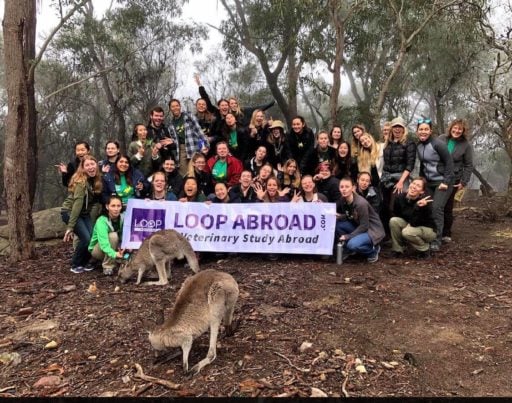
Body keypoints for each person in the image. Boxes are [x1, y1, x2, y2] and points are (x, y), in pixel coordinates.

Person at [416, 117, 454, 252]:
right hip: (429, 182)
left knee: (437, 208)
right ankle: (429, 235)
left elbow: (449, 163)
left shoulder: (438, 144)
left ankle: (437, 241)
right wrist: (420, 181)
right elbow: (423, 165)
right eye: (421, 129)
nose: (423, 132)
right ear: (417, 131)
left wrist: (445, 182)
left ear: (430, 131)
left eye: (426, 129)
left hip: (442, 182)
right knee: (427, 207)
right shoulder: (419, 146)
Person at [61, 155, 103, 273]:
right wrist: (70, 227)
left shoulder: (95, 180)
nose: (91, 167)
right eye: (87, 165)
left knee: (92, 239)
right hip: (70, 212)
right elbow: (77, 205)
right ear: (83, 168)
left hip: (84, 214)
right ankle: (75, 264)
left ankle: (84, 263)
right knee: (86, 239)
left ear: (96, 165)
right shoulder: (81, 182)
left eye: (92, 164)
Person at [439, 118, 474, 243]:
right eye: (455, 127)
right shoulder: (441, 139)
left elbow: (469, 165)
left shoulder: (466, 145)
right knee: (436, 205)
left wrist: (464, 182)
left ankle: (446, 233)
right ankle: (435, 230)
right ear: (451, 128)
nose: (457, 130)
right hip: (438, 176)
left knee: (447, 206)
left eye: (460, 129)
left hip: (454, 178)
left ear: (463, 131)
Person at [380, 117, 417, 235]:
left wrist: (401, 181)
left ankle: (403, 232)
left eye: (399, 127)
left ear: (403, 129)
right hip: (386, 177)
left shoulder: (409, 143)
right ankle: (387, 234)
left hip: (401, 177)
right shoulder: (388, 143)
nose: (397, 129)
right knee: (384, 205)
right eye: (395, 126)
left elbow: (410, 165)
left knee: (398, 205)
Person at [335, 176, 385, 263]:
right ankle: (350, 250)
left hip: (372, 230)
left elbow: (364, 226)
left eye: (347, 187)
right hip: (359, 226)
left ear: (353, 187)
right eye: (341, 187)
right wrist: (340, 216)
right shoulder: (343, 199)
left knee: (352, 244)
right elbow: (350, 215)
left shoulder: (361, 203)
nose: (344, 189)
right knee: (338, 224)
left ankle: (373, 251)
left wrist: (348, 236)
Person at [390, 177, 436, 259]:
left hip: (428, 230)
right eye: (413, 183)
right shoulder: (400, 198)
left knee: (406, 232)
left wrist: (417, 207)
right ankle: (398, 249)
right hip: (412, 225)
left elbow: (416, 222)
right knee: (394, 221)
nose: (414, 186)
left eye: (418, 186)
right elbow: (397, 214)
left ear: (422, 191)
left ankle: (425, 249)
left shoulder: (424, 202)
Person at [169, 98, 209, 176]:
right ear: (170, 109)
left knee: (196, 171)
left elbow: (199, 131)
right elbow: (175, 140)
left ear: (180, 106)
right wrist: (171, 141)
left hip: (193, 146)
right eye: (173, 106)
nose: (175, 108)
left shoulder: (188, 116)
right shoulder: (170, 124)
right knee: (183, 173)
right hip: (181, 150)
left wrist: (206, 144)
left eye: (177, 106)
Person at [88, 194, 125, 275]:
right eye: (113, 206)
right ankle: (108, 266)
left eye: (118, 206)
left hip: (114, 247)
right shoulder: (101, 221)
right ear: (107, 207)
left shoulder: (123, 217)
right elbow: (104, 244)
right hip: (97, 249)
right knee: (113, 236)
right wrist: (114, 254)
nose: (116, 209)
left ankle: (116, 259)